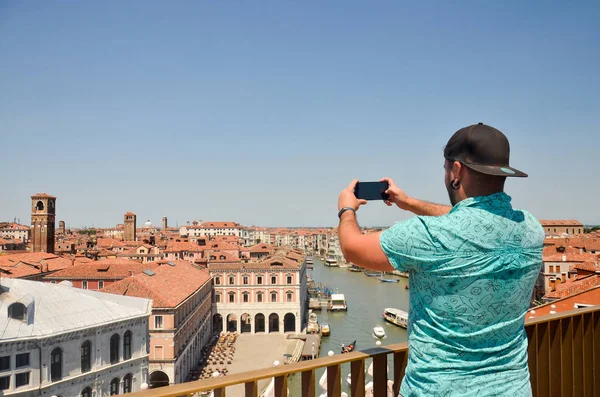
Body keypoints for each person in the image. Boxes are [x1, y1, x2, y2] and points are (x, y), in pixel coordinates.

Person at [337, 123, 544, 397]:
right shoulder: (531, 228)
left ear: (456, 171)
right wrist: (408, 202)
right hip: (513, 389)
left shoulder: (426, 235)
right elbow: (476, 219)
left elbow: (352, 248)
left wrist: (346, 208)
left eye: (446, 169)